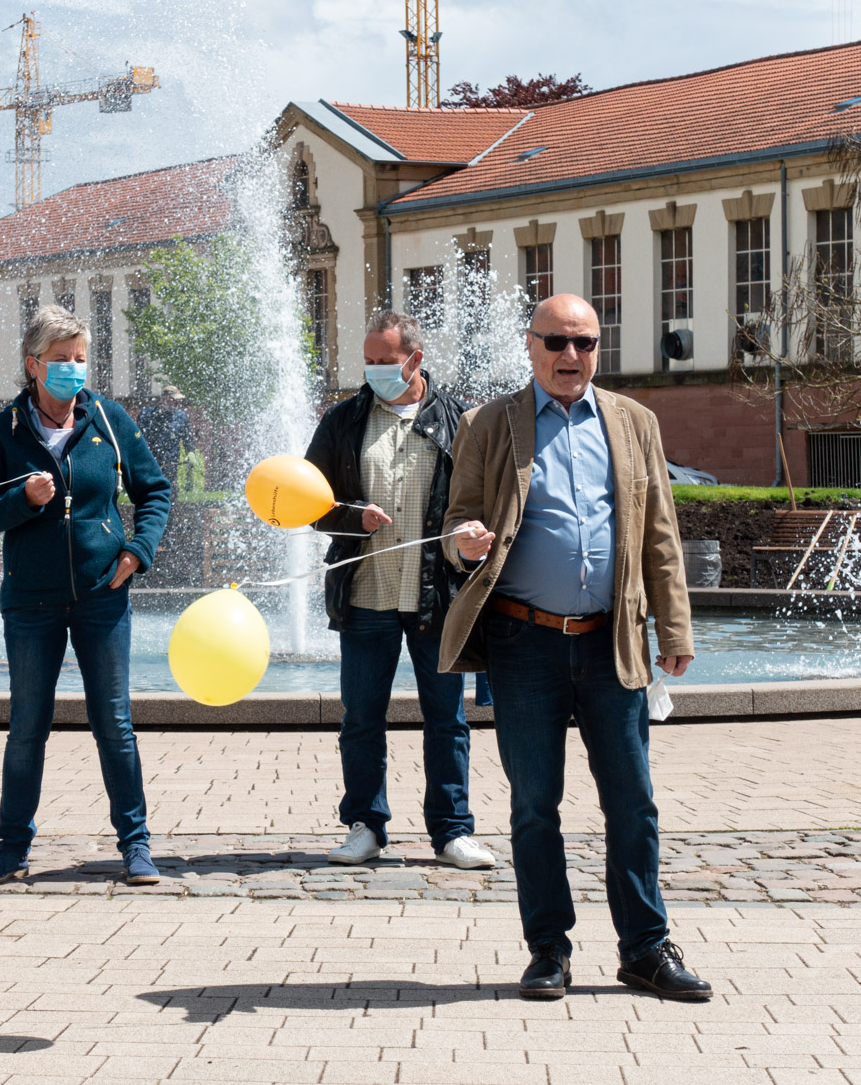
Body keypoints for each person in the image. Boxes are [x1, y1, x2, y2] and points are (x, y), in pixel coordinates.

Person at [441, 293, 710, 1001]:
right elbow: (458, 520)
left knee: (633, 803)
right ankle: (548, 950)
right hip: (522, 641)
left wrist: (674, 628)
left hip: (610, 642)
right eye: (557, 341)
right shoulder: (490, 423)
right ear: (531, 346)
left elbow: (659, 534)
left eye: (585, 343)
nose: (571, 356)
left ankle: (646, 948)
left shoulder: (633, 423)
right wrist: (463, 541)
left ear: (600, 347)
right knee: (535, 804)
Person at [0, 305, 172, 886]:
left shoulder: (109, 419)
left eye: (80, 359)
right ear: (33, 365)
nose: (73, 370)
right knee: (27, 725)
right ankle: (11, 848)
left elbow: (155, 490)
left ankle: (136, 846)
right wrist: (23, 500)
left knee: (115, 723)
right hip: (30, 602)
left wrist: (136, 552)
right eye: (61, 361)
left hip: (103, 597)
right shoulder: (3, 430)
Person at [304, 311, 494, 873]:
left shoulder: (461, 420)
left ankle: (452, 831)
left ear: (415, 359)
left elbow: (482, 505)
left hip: (437, 597)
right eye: (369, 360)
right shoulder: (344, 420)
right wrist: (350, 515)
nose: (374, 372)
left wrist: (474, 538)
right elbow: (311, 504)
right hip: (366, 594)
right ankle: (365, 825)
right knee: (361, 716)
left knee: (447, 719)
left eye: (385, 362)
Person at [136, 385, 194, 489]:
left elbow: (188, 439)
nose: (177, 403)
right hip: (150, 464)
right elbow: (137, 438)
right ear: (164, 398)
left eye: (178, 400)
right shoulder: (146, 415)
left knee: (170, 493)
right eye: (174, 400)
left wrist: (190, 452)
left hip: (171, 465)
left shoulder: (181, 417)